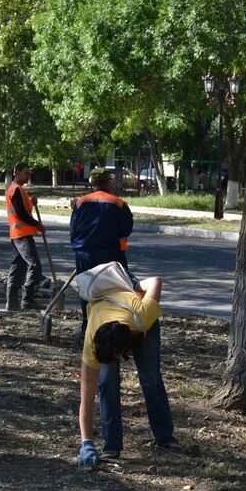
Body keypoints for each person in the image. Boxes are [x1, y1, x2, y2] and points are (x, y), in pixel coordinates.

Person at [77, 274, 182, 467]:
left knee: (151, 378)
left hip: (139, 322)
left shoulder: (143, 316)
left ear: (124, 351)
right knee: (106, 384)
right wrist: (87, 443)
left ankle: (165, 438)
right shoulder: (94, 341)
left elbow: (156, 280)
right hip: (106, 322)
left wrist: (136, 285)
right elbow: (87, 395)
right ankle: (112, 446)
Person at [70, 168, 134, 332]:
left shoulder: (81, 202)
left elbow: (73, 229)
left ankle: (86, 325)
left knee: (86, 288)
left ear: (92, 183)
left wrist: (79, 248)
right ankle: (107, 325)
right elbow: (126, 229)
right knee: (111, 289)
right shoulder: (118, 203)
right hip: (110, 254)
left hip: (84, 253)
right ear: (108, 182)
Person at [5, 162, 44, 311]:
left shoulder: (19, 190)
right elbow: (20, 213)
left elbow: (24, 209)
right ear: (17, 172)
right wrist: (36, 224)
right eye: (25, 173)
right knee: (35, 266)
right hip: (22, 235)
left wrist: (32, 203)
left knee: (18, 268)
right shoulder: (15, 189)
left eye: (29, 174)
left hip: (18, 234)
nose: (28, 176)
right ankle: (27, 300)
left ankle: (12, 304)